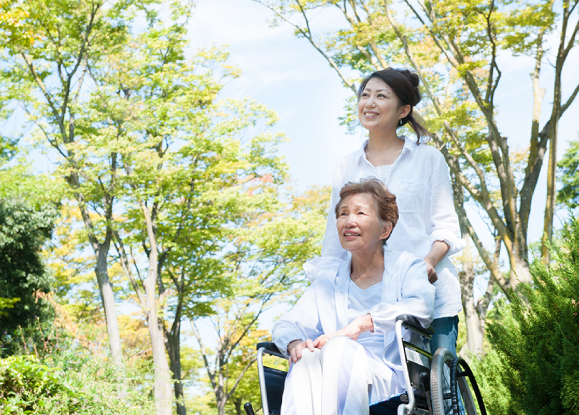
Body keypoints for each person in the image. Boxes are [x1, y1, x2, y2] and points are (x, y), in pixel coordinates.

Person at [317, 68, 465, 356]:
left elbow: (446, 226)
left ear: (403, 110)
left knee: (440, 385)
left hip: (430, 295)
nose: (369, 102)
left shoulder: (428, 158)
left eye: (381, 96)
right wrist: (322, 292)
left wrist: (427, 264)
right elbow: (335, 239)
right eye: (365, 95)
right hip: (370, 300)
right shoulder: (346, 167)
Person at [273, 178, 435, 415]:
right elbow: (286, 324)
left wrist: (360, 325)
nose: (349, 221)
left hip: (389, 377)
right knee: (305, 359)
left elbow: (421, 306)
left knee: (340, 347)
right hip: (329, 378)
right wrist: (295, 344)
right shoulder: (329, 280)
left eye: (360, 213)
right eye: (343, 214)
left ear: (385, 229)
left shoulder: (406, 266)